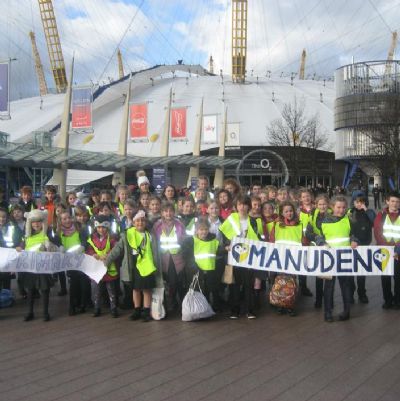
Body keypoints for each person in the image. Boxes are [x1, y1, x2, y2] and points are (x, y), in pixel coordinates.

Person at [106, 210, 158, 322]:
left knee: (147, 290)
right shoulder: (127, 235)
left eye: (142, 220)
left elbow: (155, 253)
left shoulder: (150, 235)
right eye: (137, 220)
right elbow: (117, 250)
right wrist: (107, 261)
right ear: (133, 222)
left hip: (147, 265)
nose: (140, 223)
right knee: (136, 289)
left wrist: (157, 267)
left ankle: (146, 311)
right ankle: (137, 310)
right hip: (132, 265)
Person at [316, 196, 359, 322]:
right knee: (328, 287)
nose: (341, 210)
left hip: (344, 258)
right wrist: (321, 243)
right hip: (329, 259)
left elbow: (354, 235)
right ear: (332, 207)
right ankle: (327, 312)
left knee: (345, 286)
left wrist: (354, 240)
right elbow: (318, 236)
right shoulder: (323, 221)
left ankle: (346, 311)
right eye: (338, 207)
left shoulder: (349, 220)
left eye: (344, 207)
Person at [219, 195, 263, 319]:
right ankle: (234, 310)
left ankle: (250, 310)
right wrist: (227, 245)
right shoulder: (231, 219)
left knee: (249, 284)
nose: (242, 207)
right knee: (234, 284)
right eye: (239, 204)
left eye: (244, 204)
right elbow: (224, 236)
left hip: (249, 256)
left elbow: (259, 238)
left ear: (248, 206)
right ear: (236, 206)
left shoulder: (254, 221)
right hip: (234, 256)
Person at [269, 201, 305, 316]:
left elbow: (304, 241)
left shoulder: (299, 224)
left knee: (292, 283)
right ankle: (280, 304)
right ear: (282, 213)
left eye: (290, 211)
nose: (289, 213)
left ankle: (290, 305)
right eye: (286, 211)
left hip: (294, 258)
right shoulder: (277, 225)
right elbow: (272, 240)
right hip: (280, 258)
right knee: (280, 282)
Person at [21, 209, 59, 322]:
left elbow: (56, 246)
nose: (36, 224)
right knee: (30, 290)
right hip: (30, 267)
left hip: (43, 267)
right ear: (29, 223)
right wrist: (19, 247)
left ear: (43, 222)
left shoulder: (47, 235)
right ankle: (29, 312)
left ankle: (45, 312)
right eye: (33, 222)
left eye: (38, 221)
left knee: (45, 290)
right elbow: (22, 245)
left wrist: (50, 246)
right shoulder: (27, 237)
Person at [152, 202, 186, 312]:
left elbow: (184, 239)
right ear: (162, 212)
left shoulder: (179, 224)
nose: (168, 213)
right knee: (170, 283)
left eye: (171, 210)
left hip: (178, 258)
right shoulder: (157, 225)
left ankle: (183, 304)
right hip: (164, 259)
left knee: (180, 281)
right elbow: (154, 242)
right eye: (165, 211)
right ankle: (172, 303)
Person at [183, 219, 222, 312]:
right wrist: (194, 267)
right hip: (196, 271)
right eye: (201, 229)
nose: (203, 232)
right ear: (196, 230)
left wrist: (226, 248)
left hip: (210, 270)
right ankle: (199, 310)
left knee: (210, 290)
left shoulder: (213, 240)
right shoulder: (190, 241)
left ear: (208, 229)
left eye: (205, 229)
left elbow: (218, 250)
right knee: (199, 291)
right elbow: (187, 256)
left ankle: (209, 309)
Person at [58, 211, 90, 315]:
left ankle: (84, 304)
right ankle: (72, 306)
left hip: (81, 260)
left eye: (68, 218)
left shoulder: (80, 229)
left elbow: (85, 241)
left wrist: (82, 247)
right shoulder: (60, 233)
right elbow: (58, 243)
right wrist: (60, 248)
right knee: (73, 284)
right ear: (61, 221)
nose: (67, 220)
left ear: (72, 218)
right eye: (64, 219)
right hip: (70, 262)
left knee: (84, 283)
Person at [86, 215, 119, 318]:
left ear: (108, 227)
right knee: (96, 290)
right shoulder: (92, 238)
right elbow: (89, 249)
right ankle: (97, 308)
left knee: (111, 291)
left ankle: (113, 308)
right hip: (96, 268)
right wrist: (93, 254)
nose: (101, 229)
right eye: (99, 227)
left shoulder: (112, 238)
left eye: (103, 227)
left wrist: (108, 254)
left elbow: (116, 248)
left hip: (109, 267)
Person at [374, 191, 400, 309]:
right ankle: (388, 300)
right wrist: (387, 249)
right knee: (385, 278)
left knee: (398, 278)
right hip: (385, 251)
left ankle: (398, 301)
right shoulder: (381, 215)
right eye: (393, 201)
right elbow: (378, 233)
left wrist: (397, 250)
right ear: (387, 201)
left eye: (397, 201)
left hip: (398, 253)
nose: (395, 204)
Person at [348, 195, 375, 304]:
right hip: (351, 244)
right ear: (353, 202)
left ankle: (362, 293)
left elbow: (374, 221)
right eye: (357, 202)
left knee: (361, 272)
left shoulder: (369, 212)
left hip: (364, 245)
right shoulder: (350, 212)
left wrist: (367, 210)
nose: (359, 204)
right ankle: (350, 293)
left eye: (362, 202)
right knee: (349, 271)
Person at [305, 194, 331, 308]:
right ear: (316, 205)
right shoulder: (312, 216)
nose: (322, 206)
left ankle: (328, 300)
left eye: (324, 204)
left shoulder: (333, 215)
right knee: (319, 277)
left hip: (330, 247)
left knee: (329, 276)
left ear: (328, 204)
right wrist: (318, 238)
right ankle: (319, 299)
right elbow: (308, 233)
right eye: (320, 204)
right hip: (318, 248)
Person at [0, 208, 23, 290]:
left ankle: (7, 299)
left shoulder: (13, 227)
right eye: (0, 217)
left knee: (6, 282)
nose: (1, 219)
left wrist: (19, 246)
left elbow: (21, 238)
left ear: (7, 217)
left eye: (4, 217)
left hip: (7, 260)